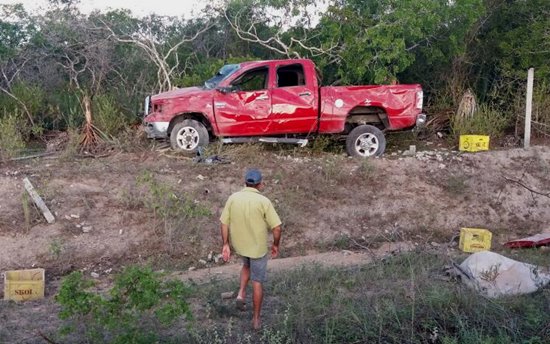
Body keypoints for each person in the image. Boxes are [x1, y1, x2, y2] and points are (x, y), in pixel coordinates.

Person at [220, 169, 282, 330]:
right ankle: (255, 320)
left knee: (246, 265)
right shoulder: (263, 202)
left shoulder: (233, 198)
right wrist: (276, 244)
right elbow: (277, 227)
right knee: (257, 282)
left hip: (240, 245)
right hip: (257, 249)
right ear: (260, 184)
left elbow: (224, 222)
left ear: (245, 182)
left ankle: (241, 293)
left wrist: (225, 244)